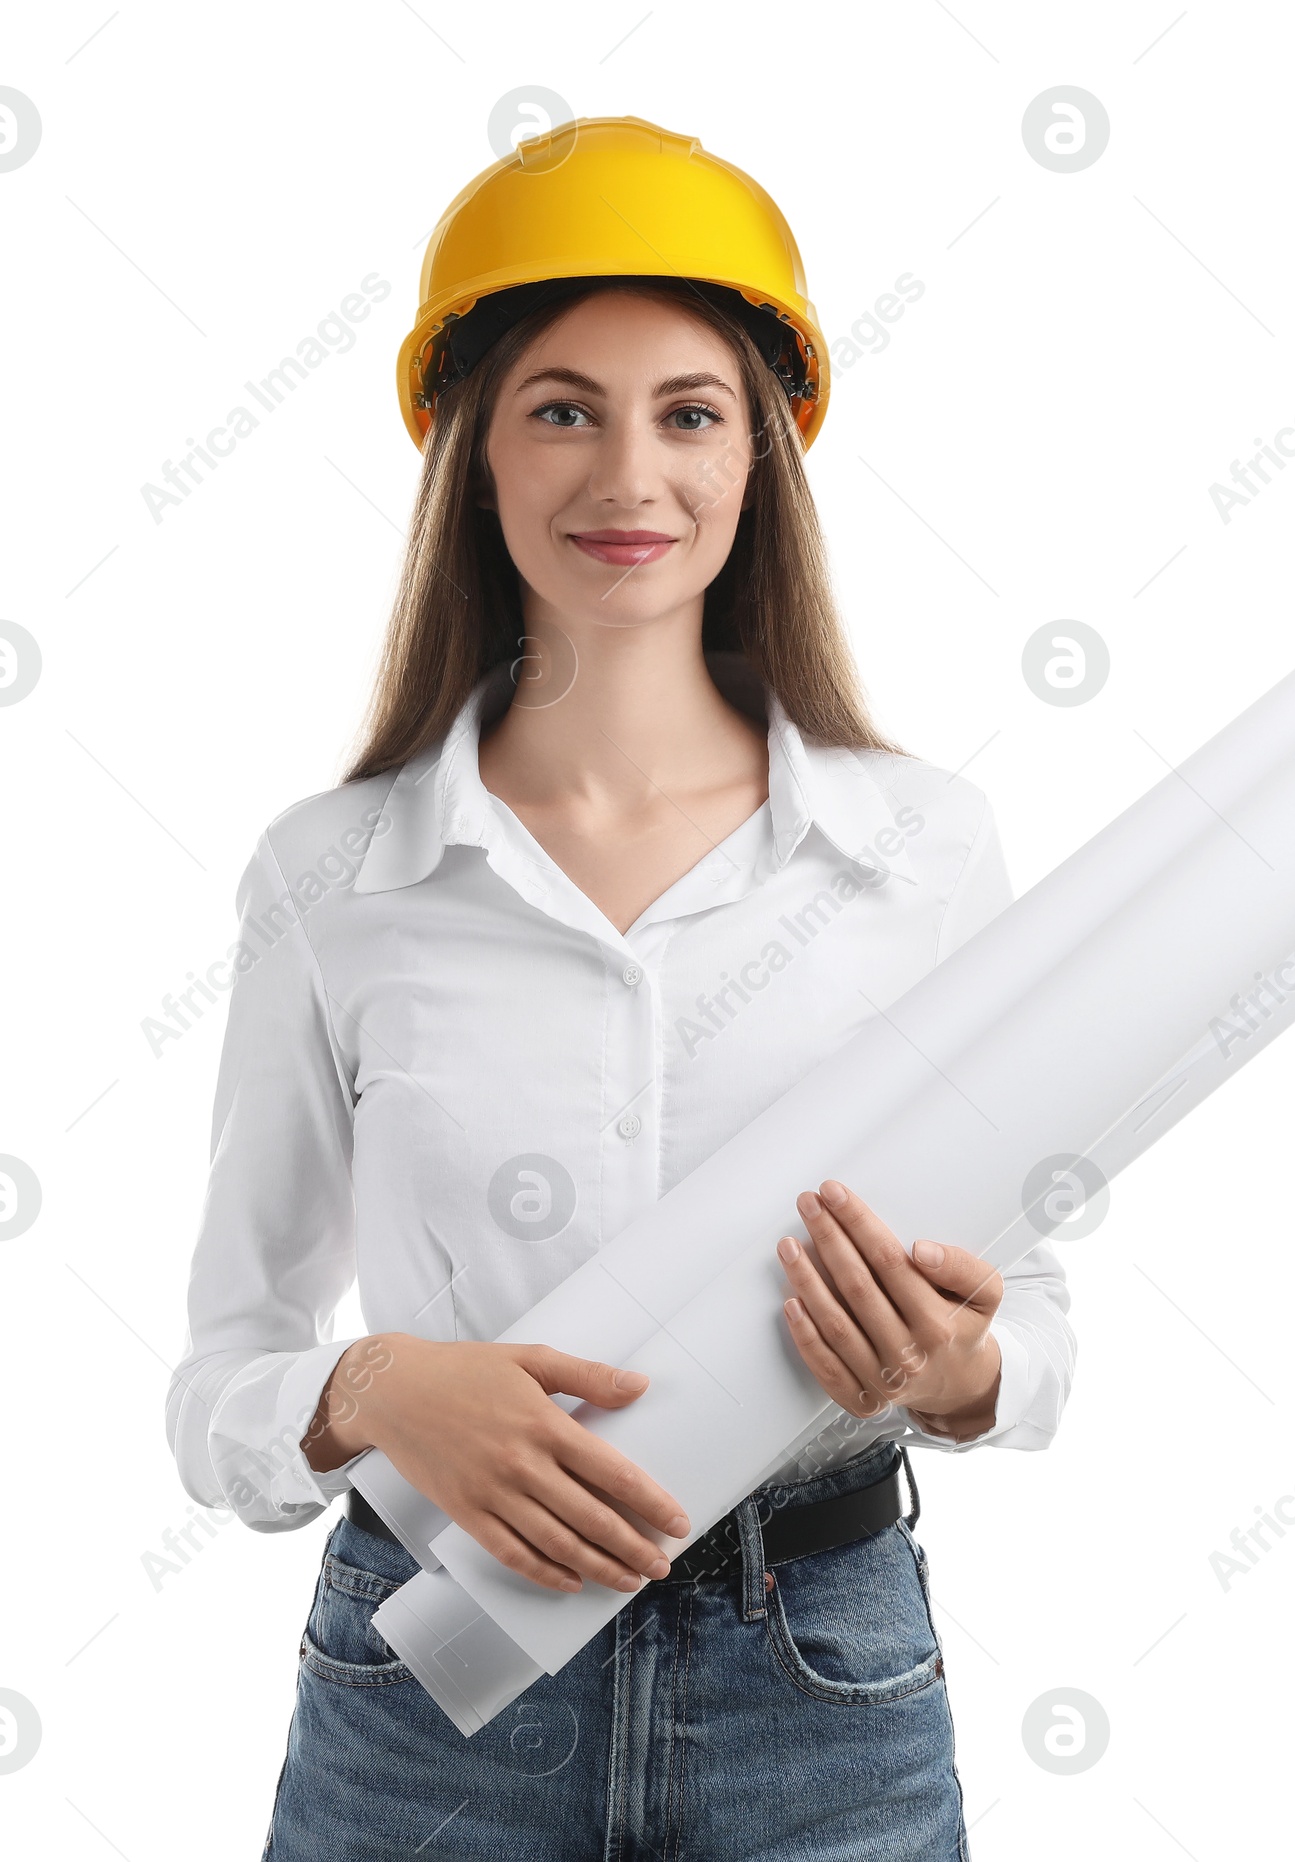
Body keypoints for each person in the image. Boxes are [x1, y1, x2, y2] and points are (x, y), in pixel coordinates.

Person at [165, 116, 1074, 1860]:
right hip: (429, 1684)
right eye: (563, 407)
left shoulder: (919, 849)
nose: (628, 476)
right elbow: (226, 1374)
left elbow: (1031, 1318)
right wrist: (366, 1394)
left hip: (820, 1680)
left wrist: (958, 1368)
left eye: (690, 411)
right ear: (477, 456)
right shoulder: (333, 877)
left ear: (758, 459)